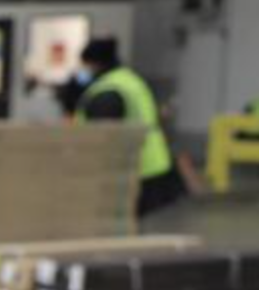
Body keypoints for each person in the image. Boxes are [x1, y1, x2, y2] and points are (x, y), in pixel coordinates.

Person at [75, 37, 185, 217]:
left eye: (85, 64)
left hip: (131, 167)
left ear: (95, 63)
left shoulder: (108, 91)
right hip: (152, 163)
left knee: (118, 225)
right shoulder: (130, 80)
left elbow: (101, 136)